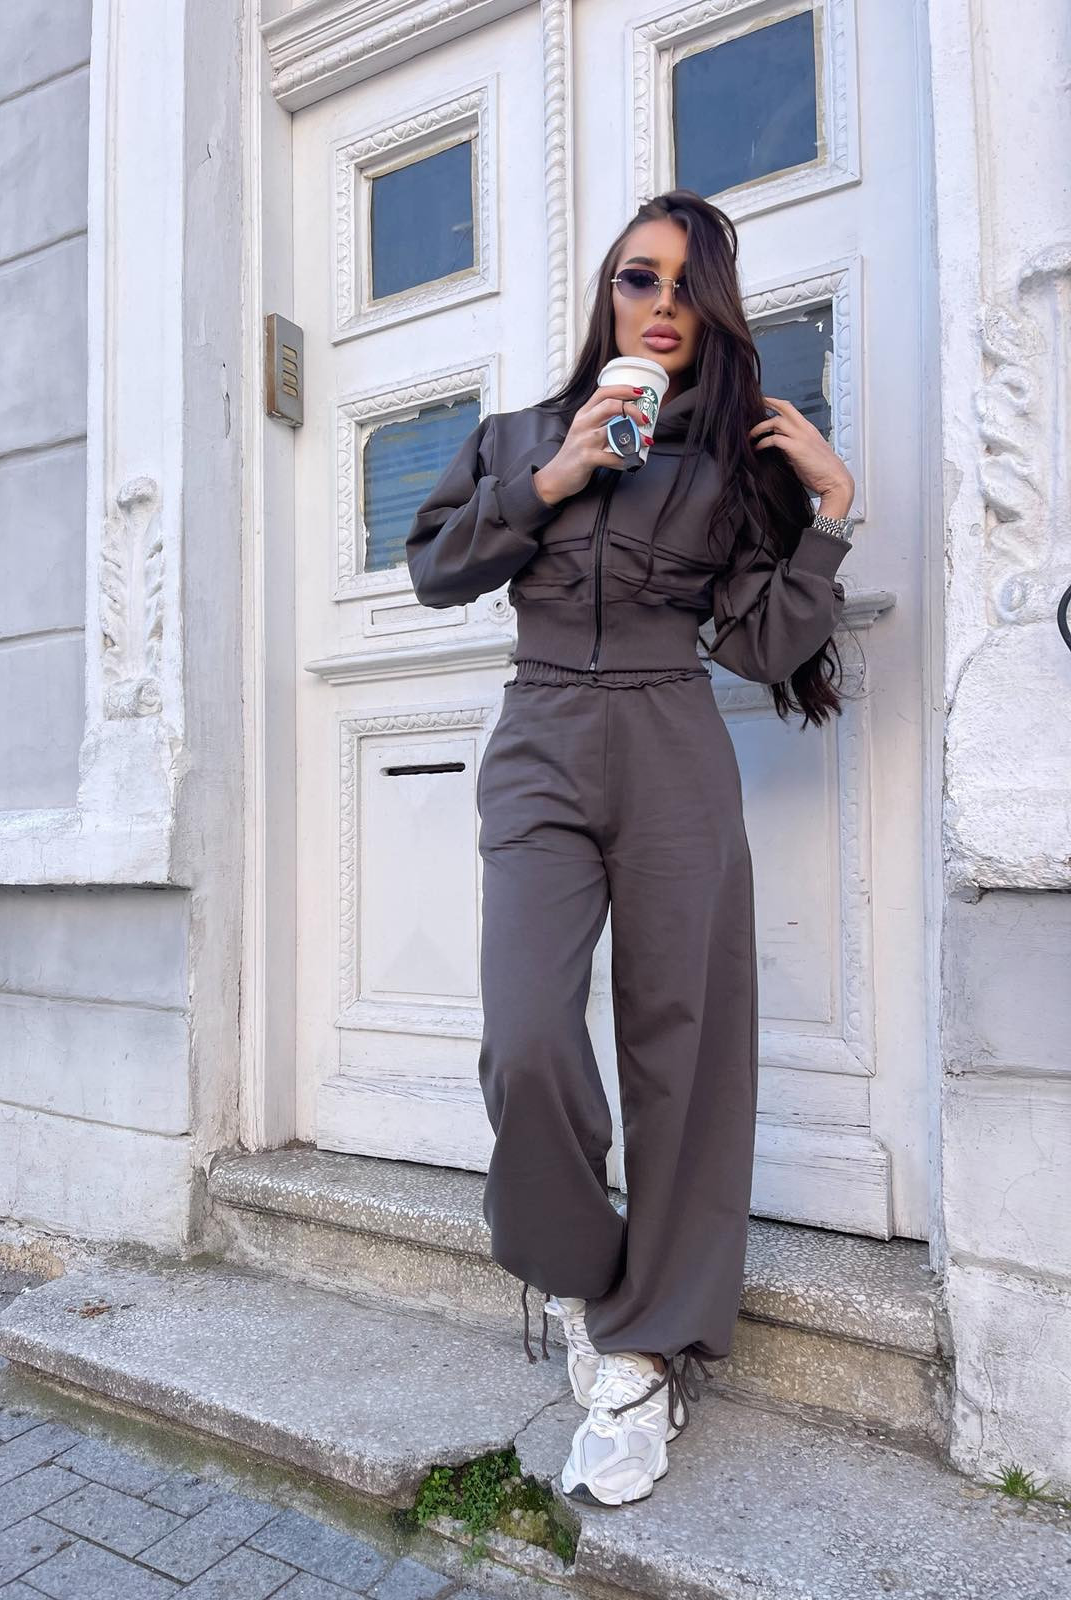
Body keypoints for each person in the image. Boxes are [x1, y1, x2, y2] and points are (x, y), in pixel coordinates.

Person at [404, 189, 856, 1508]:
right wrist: (558, 476)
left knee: (685, 1046)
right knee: (527, 1033)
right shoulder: (518, 437)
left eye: (683, 288)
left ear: (711, 314)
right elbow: (434, 567)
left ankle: (649, 1353)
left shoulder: (731, 468)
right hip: (541, 735)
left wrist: (829, 512)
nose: (659, 306)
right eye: (636, 279)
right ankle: (583, 1277)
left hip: (672, 741)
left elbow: (763, 645)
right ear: (607, 292)